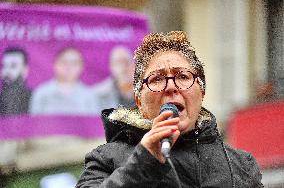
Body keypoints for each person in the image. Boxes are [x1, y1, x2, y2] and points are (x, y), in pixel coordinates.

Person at [76, 31, 263, 187]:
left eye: (182, 76)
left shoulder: (241, 166)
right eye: (157, 79)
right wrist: (144, 162)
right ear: (139, 101)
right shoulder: (105, 159)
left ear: (202, 92)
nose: (171, 87)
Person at [30, 47, 94, 115]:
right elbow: (34, 122)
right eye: (64, 62)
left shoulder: (88, 95)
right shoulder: (42, 93)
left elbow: (94, 123)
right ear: (55, 64)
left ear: (81, 67)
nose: (69, 67)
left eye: (74, 63)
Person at [92, 46, 135, 114]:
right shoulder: (99, 94)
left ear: (134, 65)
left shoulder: (148, 91)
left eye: (126, 62)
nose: (123, 68)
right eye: (118, 63)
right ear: (111, 67)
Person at [0, 47, 31, 115]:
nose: (7, 71)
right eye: (4, 66)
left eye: (13, 66)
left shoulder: (34, 98)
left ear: (25, 70)